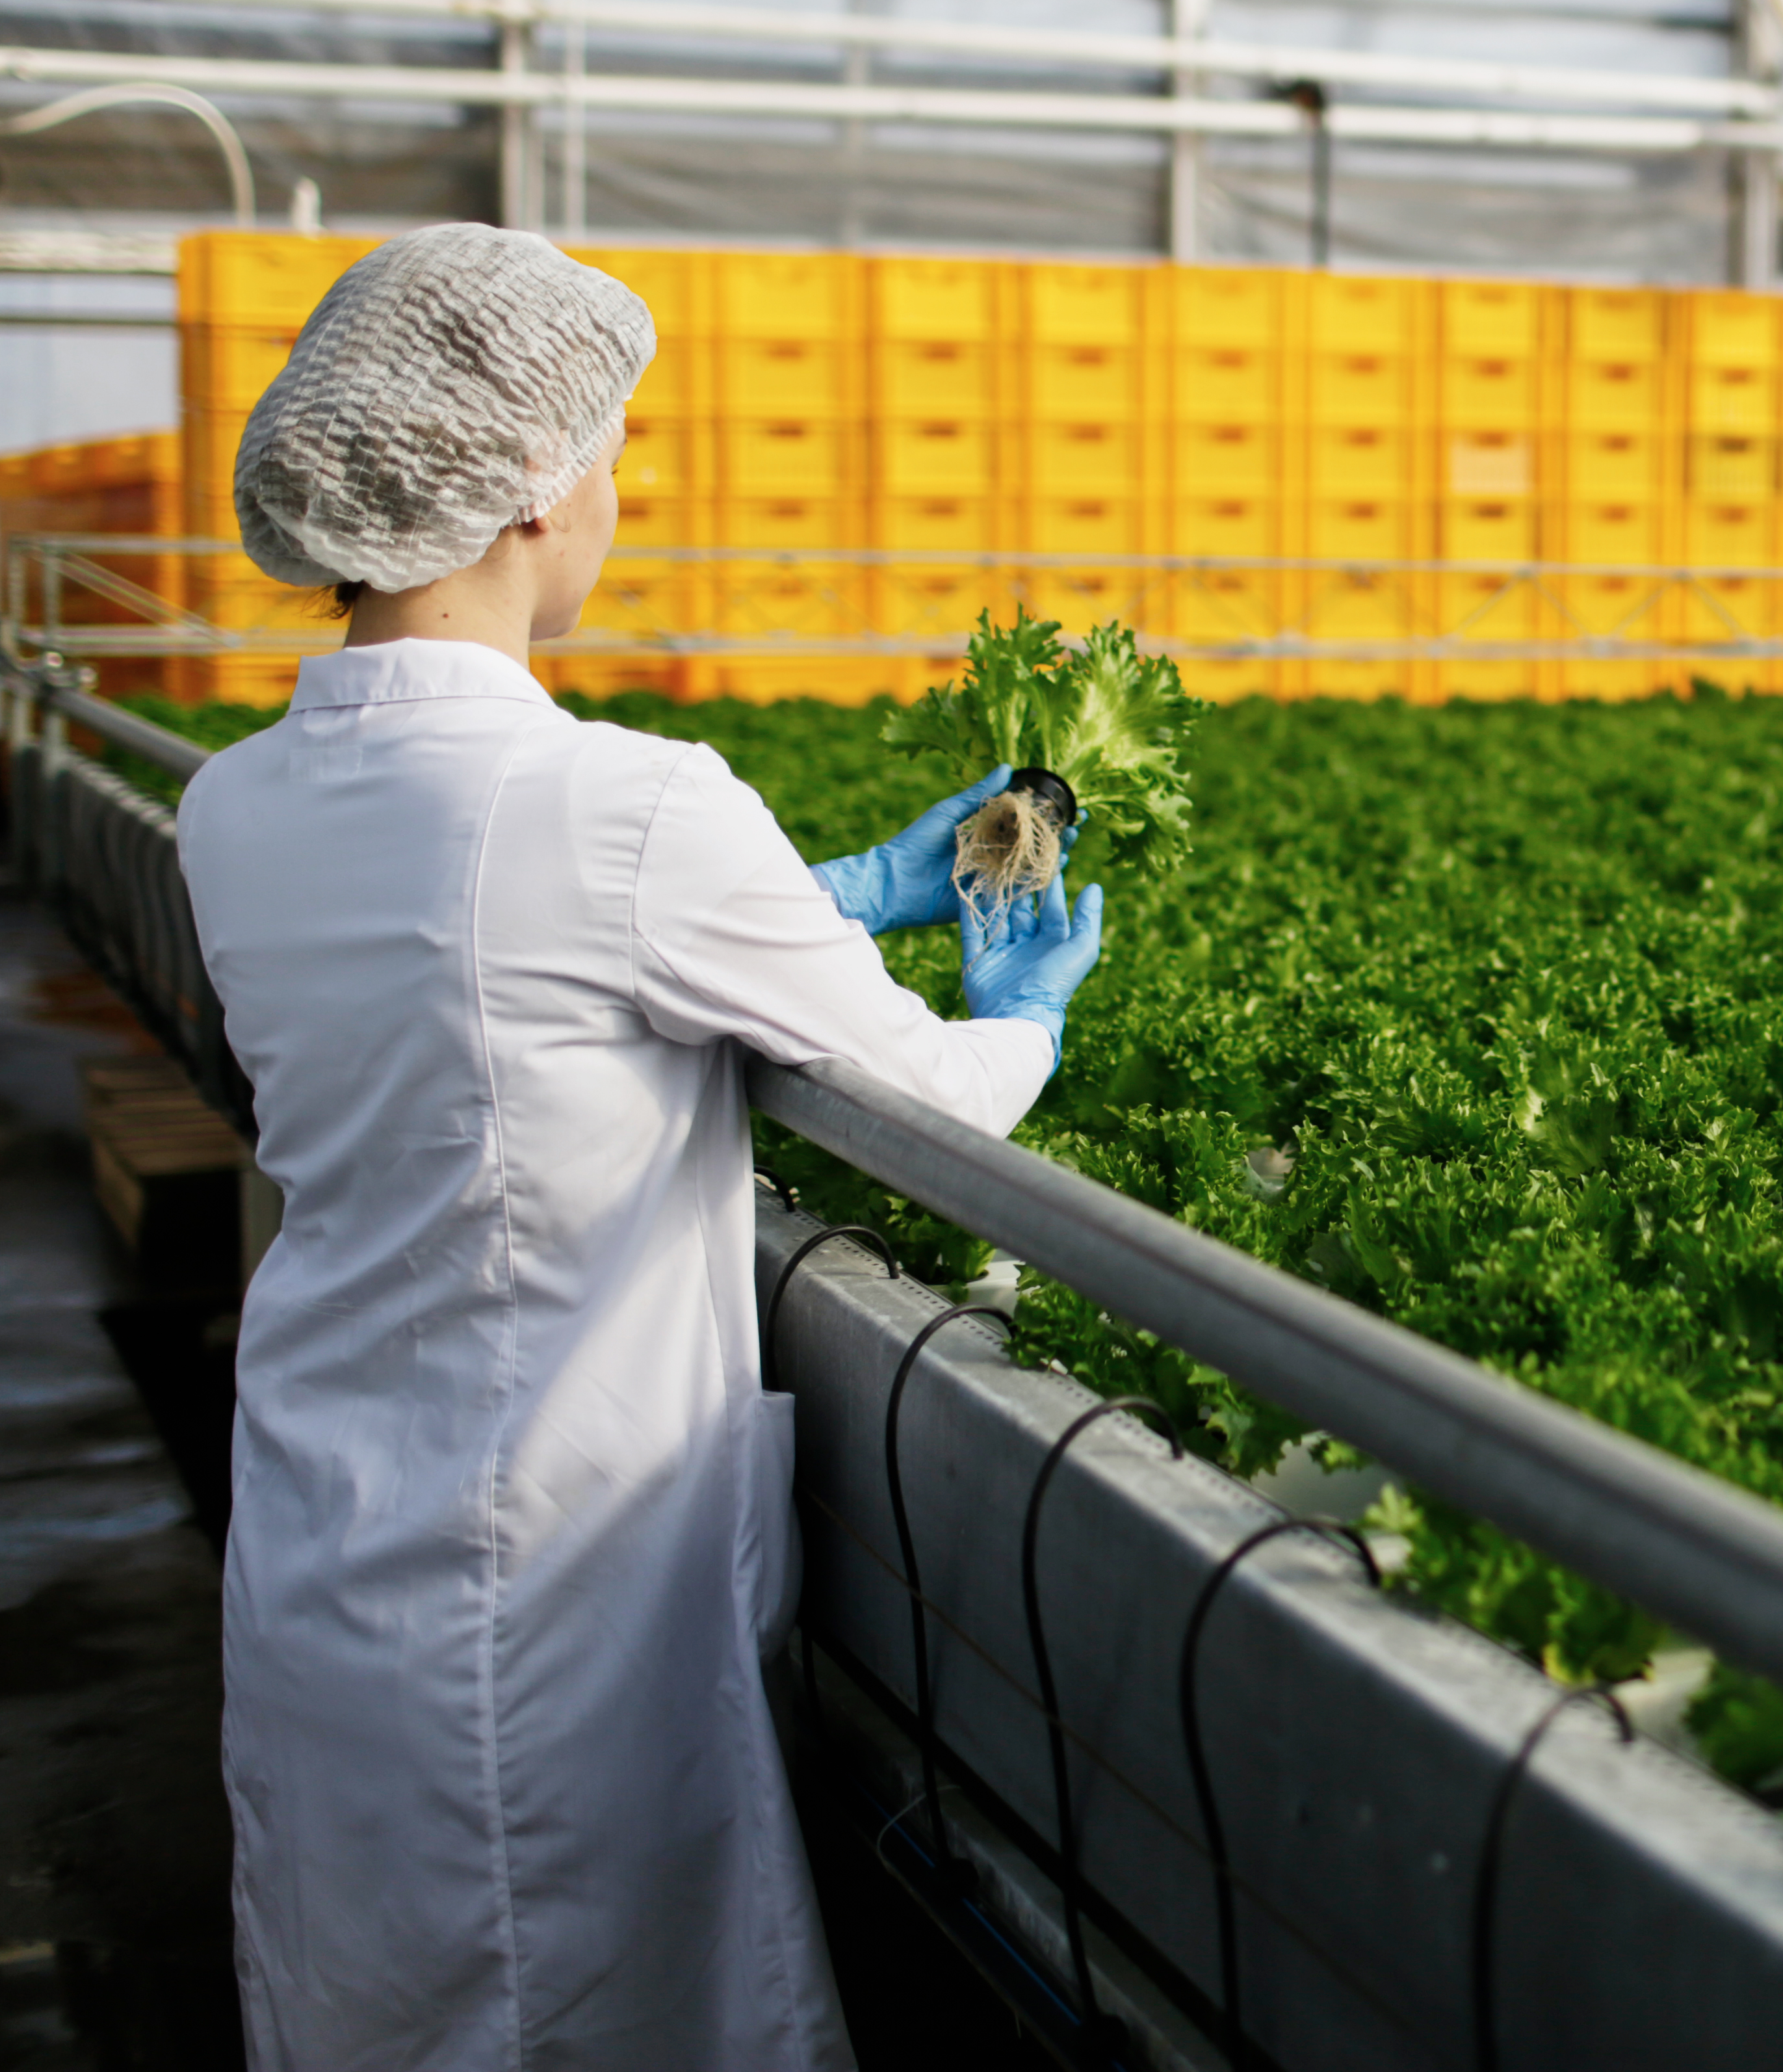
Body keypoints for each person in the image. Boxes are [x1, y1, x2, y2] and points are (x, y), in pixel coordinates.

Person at [175, 224, 1105, 2071]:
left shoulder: (233, 800)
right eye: (610, 454)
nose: (620, 494)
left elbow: (491, 985)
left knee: (366, 1996)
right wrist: (1029, 1010)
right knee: (576, 2010)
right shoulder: (625, 804)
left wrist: (825, 897)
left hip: (324, 1532)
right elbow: (925, 1097)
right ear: (530, 490)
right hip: (542, 1578)